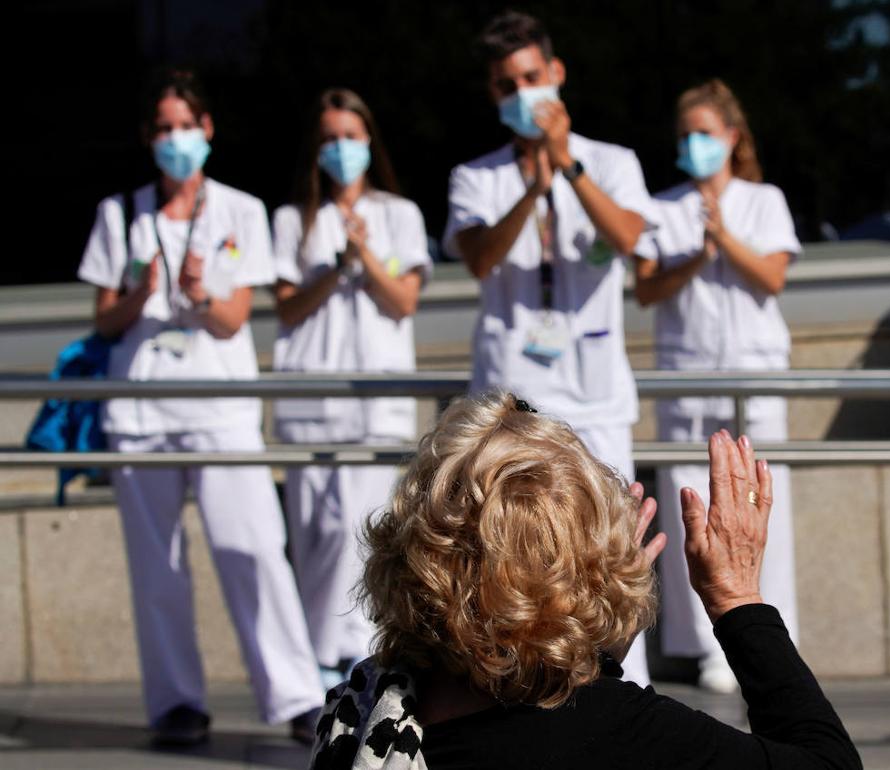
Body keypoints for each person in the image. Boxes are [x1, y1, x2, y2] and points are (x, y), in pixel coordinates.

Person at [308, 391, 863, 769]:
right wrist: (736, 598)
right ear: (588, 565)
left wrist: (597, 650)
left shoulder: (363, 707)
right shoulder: (619, 732)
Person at [76, 69, 323, 744]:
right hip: (141, 409)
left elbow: (235, 316)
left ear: (208, 128)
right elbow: (104, 320)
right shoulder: (121, 213)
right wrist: (141, 294)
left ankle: (297, 697)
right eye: (163, 128)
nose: (175, 139)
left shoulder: (240, 210)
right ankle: (176, 703)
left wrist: (200, 295)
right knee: (157, 566)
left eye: (186, 125)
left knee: (253, 549)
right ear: (147, 137)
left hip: (220, 405)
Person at [441, 11, 655, 684]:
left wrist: (569, 169)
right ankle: (521, 693)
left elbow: (629, 239)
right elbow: (479, 258)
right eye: (508, 84)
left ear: (556, 73)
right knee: (511, 558)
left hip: (595, 393)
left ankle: (627, 690)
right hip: (513, 399)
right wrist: (533, 187)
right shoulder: (476, 176)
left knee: (614, 556)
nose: (522, 93)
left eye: (532, 77)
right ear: (493, 93)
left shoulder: (612, 162)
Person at [634, 79, 801, 693]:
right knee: (692, 508)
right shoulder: (662, 207)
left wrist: (724, 239)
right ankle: (710, 646)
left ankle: (771, 633)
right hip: (687, 372)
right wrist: (698, 256)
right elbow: (647, 288)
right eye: (685, 136)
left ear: (732, 136)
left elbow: (773, 276)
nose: (693, 145)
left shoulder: (764, 200)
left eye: (704, 133)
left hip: (753, 370)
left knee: (761, 501)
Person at [271, 88, 431, 688]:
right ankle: (318, 654)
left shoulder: (399, 214)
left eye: (350, 136)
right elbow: (287, 307)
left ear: (369, 141)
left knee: (361, 529)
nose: (341, 149)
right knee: (316, 534)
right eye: (329, 139)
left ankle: (351, 652)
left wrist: (365, 254)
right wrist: (336, 266)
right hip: (312, 396)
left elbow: (404, 300)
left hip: (376, 398)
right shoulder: (293, 221)